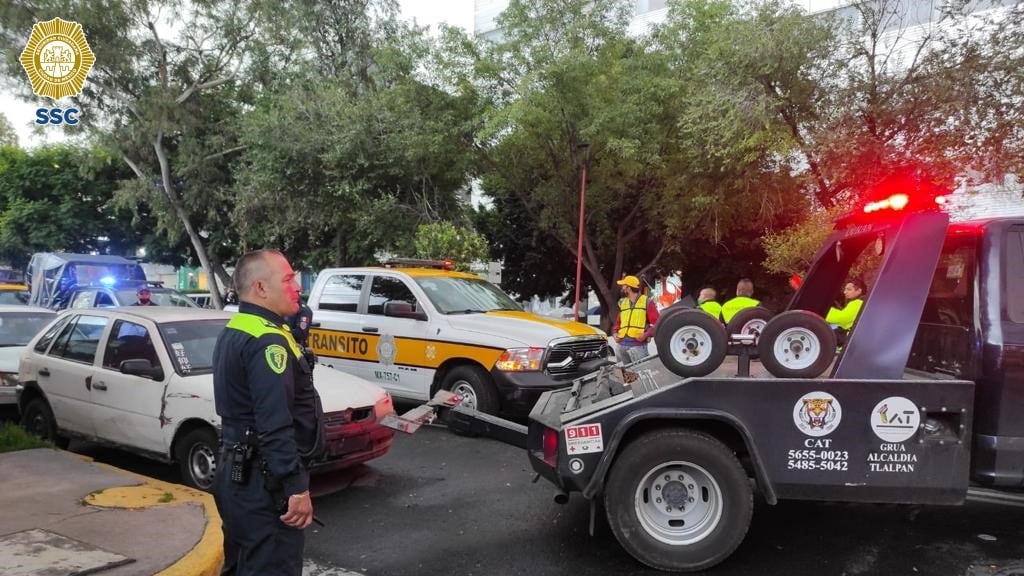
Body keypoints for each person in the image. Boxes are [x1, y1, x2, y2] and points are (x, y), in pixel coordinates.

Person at [212, 250, 324, 576]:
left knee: (241, 562)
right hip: (264, 483)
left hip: (237, 473)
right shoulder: (267, 340)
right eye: (288, 279)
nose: (297, 286)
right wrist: (295, 488)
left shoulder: (237, 329)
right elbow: (274, 423)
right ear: (261, 288)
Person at [612, 275, 660, 360]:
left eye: (624, 286)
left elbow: (658, 323)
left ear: (629, 288)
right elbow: (618, 323)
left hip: (638, 347)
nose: (622, 288)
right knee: (623, 373)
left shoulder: (647, 302)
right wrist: (615, 333)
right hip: (621, 346)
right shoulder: (623, 303)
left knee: (639, 372)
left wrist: (646, 335)